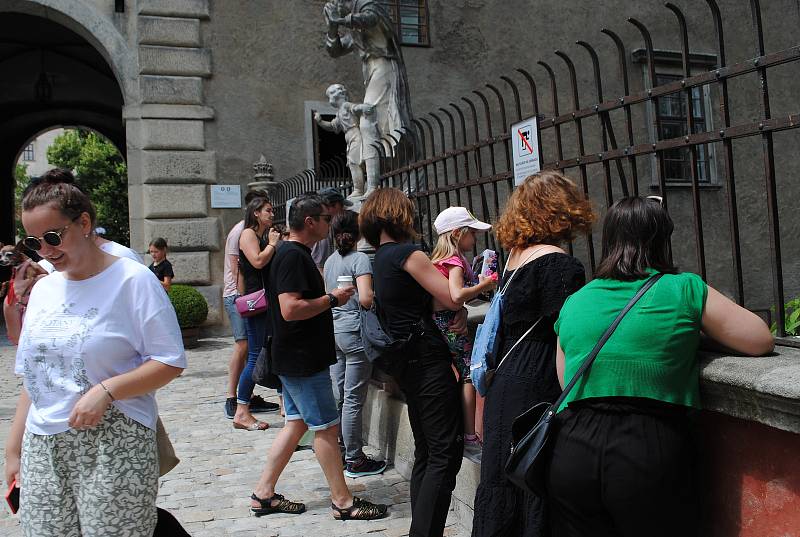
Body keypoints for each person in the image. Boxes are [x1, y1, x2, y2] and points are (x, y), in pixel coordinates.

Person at [546, 196, 774, 537]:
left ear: (609, 241)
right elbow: (760, 339)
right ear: (661, 241)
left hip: (573, 449)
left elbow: (567, 379)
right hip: (648, 444)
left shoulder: (577, 300)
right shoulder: (682, 289)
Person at [6, 171, 186, 537]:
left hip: (114, 442)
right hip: (43, 445)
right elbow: (35, 374)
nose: (46, 251)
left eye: (54, 237)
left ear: (84, 222)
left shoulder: (132, 280)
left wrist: (106, 391)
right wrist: (13, 449)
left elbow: (169, 360)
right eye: (34, 242)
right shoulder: (44, 291)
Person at [471, 171, 595, 537]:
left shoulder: (515, 259)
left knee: (500, 477)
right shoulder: (560, 264)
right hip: (536, 383)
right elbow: (566, 336)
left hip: (503, 384)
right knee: (534, 478)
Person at [250, 193, 387, 521]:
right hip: (302, 359)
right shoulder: (294, 256)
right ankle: (343, 502)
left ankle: (263, 493)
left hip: (296, 356)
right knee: (326, 428)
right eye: (325, 219)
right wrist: (332, 299)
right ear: (310, 222)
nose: (330, 224)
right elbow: (290, 308)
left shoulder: (291, 253)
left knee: (297, 424)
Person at [360, 188, 468, 537]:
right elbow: (451, 299)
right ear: (398, 216)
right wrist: (467, 302)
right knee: (444, 454)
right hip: (427, 362)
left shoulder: (381, 256)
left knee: (427, 451)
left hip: (407, 364)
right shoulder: (409, 254)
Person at [323, 0, 413, 195]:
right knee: (375, 125)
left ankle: (373, 185)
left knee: (369, 121)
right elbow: (335, 49)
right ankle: (372, 182)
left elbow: (371, 18)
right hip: (371, 70)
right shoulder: (355, 27)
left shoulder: (367, 4)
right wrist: (332, 26)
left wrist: (341, 19)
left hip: (384, 66)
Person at [323, 210, 387, 477]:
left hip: (334, 330)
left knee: (339, 393)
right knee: (353, 397)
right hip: (354, 331)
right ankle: (355, 457)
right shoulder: (360, 258)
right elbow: (365, 298)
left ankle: (338, 447)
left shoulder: (329, 261)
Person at [429, 207, 497, 459]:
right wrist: (484, 285)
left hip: (441, 320)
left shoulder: (437, 260)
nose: (475, 239)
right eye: (472, 234)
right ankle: (470, 436)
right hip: (449, 323)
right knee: (468, 375)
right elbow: (457, 294)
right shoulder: (455, 261)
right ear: (458, 234)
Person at [222, 189, 279, 419]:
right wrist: (273, 245)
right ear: (256, 213)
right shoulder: (247, 234)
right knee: (254, 354)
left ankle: (249, 404)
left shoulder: (261, 235)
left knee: (264, 351)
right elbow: (256, 262)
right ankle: (241, 407)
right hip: (255, 302)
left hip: (264, 301)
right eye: (268, 210)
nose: (272, 213)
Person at [314, 84, 380, 200]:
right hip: (349, 138)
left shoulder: (345, 106)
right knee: (352, 163)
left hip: (354, 134)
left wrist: (363, 108)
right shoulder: (339, 112)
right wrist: (320, 121)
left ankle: (360, 189)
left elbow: (355, 108)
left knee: (354, 162)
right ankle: (358, 189)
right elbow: (332, 126)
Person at [311, 187, 352, 271]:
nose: (344, 209)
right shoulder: (324, 230)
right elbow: (320, 268)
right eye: (342, 205)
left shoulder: (324, 226)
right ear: (333, 206)